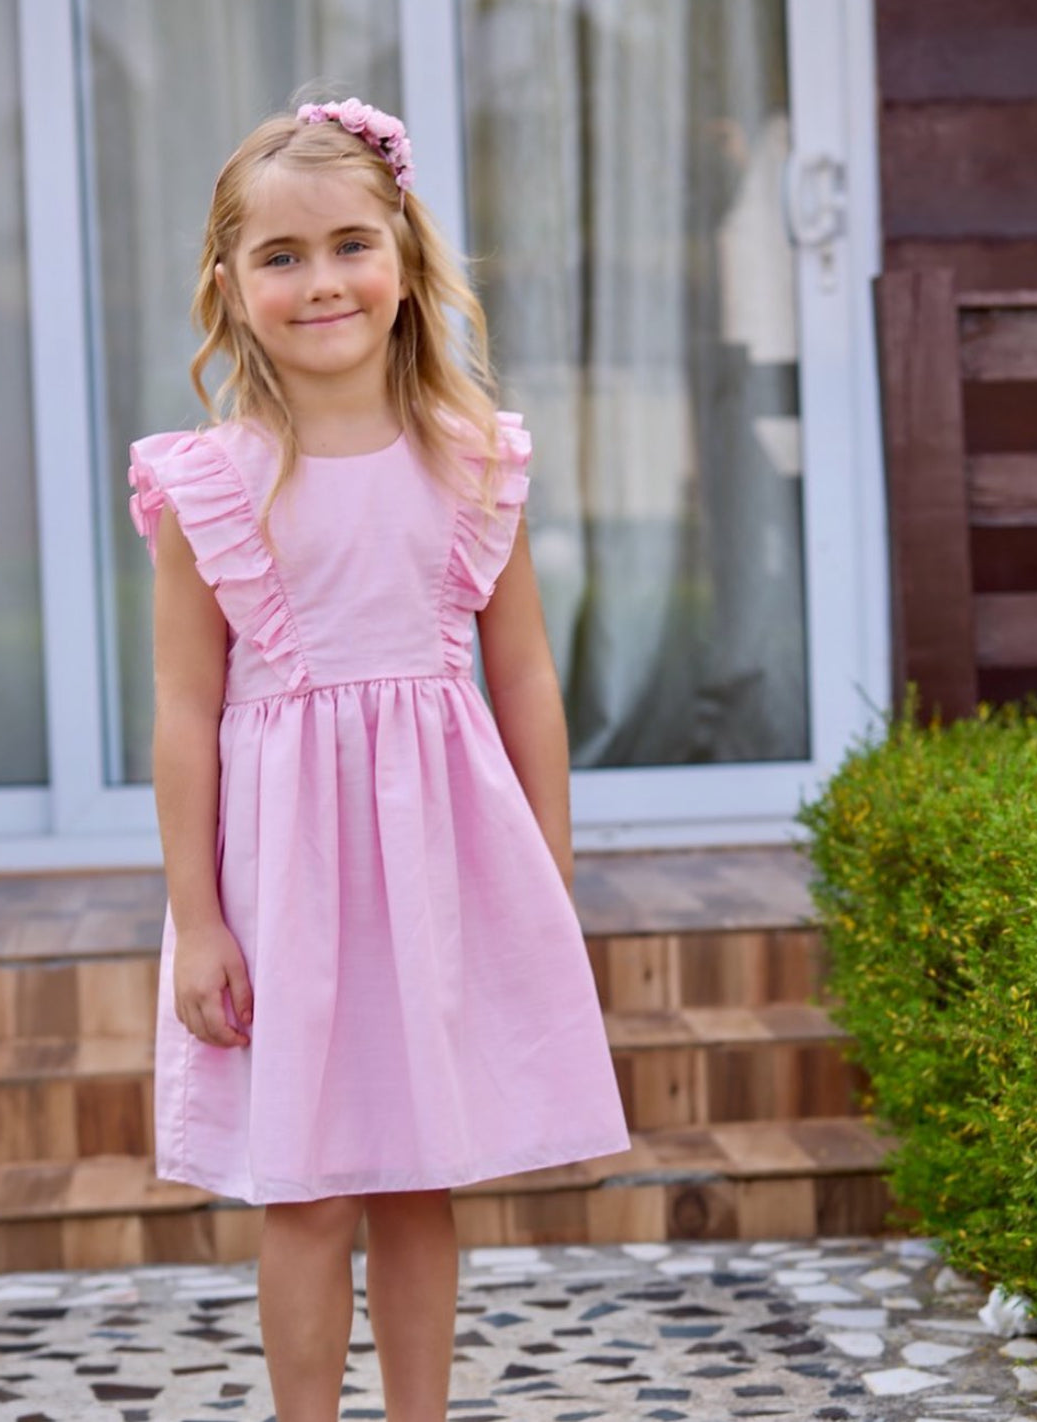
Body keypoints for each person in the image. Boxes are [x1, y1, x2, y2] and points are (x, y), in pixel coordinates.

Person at [128, 96, 629, 1422]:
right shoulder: (208, 487)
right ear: (227, 284)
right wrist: (197, 919)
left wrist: (544, 877)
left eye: (350, 243)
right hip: (282, 881)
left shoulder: (476, 463)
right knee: (304, 1186)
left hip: (437, 864)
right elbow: (184, 712)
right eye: (279, 255)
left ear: (403, 260)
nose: (320, 281)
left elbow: (521, 678)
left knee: (419, 1175)